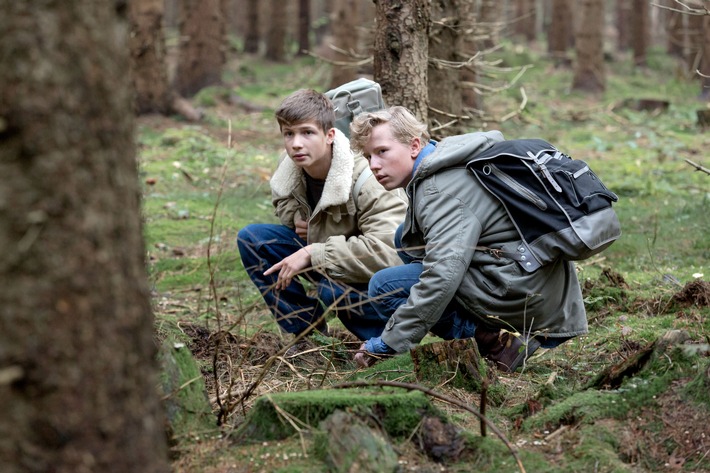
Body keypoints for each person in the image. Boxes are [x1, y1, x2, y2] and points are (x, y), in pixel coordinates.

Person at [348, 106, 588, 372]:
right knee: (405, 239)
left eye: (382, 151)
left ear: (414, 145)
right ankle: (491, 331)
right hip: (530, 277)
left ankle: (496, 342)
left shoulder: (440, 190)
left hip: (525, 291)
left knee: (383, 287)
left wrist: (388, 343)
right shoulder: (445, 159)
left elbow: (442, 276)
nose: (374, 165)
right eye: (369, 156)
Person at [237, 89, 407, 348]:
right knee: (253, 239)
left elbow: (390, 251)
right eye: (288, 134)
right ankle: (307, 333)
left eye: (307, 132)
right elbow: (282, 201)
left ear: (329, 136)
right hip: (328, 258)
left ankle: (386, 342)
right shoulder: (291, 168)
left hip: (375, 280)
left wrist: (314, 253)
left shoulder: (367, 178)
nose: (296, 143)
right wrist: (296, 218)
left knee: (332, 290)